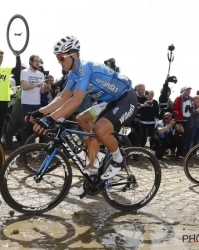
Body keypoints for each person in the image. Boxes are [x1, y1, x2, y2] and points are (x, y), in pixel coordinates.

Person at [28, 36, 138, 185]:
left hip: (126, 99)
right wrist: (41, 112)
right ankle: (92, 179)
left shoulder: (85, 68)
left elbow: (76, 100)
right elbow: (63, 96)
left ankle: (118, 158)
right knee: (91, 136)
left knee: (99, 130)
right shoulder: (73, 73)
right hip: (110, 102)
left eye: (61, 58)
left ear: (73, 55)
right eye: (57, 58)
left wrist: (50, 118)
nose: (59, 61)